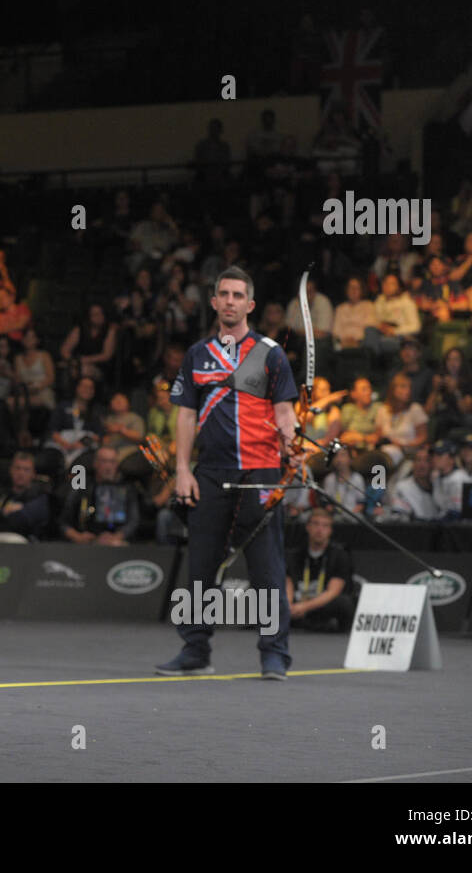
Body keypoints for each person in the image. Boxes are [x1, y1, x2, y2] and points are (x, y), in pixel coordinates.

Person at [158, 266, 298, 680]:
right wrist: (183, 470)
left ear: (250, 305)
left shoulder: (270, 353)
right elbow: (185, 416)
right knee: (200, 565)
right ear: (215, 302)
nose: (231, 301)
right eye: (225, 294)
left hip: (260, 472)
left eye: (239, 295)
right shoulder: (197, 355)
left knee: (267, 567)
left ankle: (274, 654)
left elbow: (285, 412)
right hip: (212, 473)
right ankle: (195, 650)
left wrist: (292, 445)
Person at [285, 509, 357, 632]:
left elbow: (333, 591)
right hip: (297, 603)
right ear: (308, 527)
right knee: (269, 599)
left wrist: (304, 607)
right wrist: (288, 606)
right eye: (316, 524)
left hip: (321, 605)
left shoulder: (340, 555)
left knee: (344, 603)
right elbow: (288, 583)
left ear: (330, 530)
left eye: (325, 526)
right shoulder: (294, 554)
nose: (319, 530)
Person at [58, 446, 139, 545]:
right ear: (95, 464)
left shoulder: (126, 488)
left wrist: (117, 536)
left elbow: (133, 521)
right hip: (86, 543)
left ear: (117, 465)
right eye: (104, 461)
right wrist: (77, 536)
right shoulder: (82, 488)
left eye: (112, 462)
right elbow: (63, 522)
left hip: (118, 544)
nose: (108, 467)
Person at [0, 451, 50, 540]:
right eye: (17, 468)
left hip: (26, 544)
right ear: (11, 470)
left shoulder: (39, 496)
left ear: (33, 474)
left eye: (26, 470)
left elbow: (20, 521)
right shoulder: (1, 494)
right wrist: (4, 511)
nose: (21, 473)